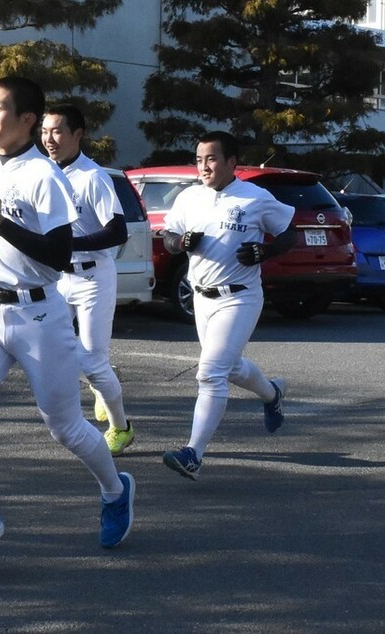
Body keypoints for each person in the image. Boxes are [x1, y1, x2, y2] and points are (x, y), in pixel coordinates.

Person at [0, 77, 135, 566]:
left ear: (27, 119)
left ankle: (115, 490)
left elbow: (60, 255)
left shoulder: (45, 176)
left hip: (39, 316)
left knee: (66, 428)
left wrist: (0, 221)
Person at [160, 130, 295, 480]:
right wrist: (180, 242)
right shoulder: (189, 197)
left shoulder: (255, 197)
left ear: (232, 162)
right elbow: (169, 237)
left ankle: (193, 454)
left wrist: (263, 251)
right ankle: (272, 393)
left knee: (210, 373)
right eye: (199, 159)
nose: (203, 166)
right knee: (229, 367)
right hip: (201, 298)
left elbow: (288, 233)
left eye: (211, 159)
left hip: (240, 296)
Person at [41, 103, 134, 456]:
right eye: (45, 131)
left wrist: (70, 244)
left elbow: (118, 231)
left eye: (58, 131)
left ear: (78, 135)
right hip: (57, 277)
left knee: (91, 363)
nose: (50, 139)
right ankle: (101, 381)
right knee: (54, 348)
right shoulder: (45, 174)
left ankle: (120, 427)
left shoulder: (93, 177)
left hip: (93, 277)